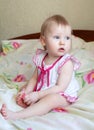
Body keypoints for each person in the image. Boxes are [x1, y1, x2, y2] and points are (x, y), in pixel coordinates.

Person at [0, 14, 80, 120]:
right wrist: (27, 92)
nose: (62, 42)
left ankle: (18, 115)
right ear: (43, 41)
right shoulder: (41, 58)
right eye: (57, 37)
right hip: (44, 89)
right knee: (24, 88)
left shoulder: (66, 63)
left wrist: (38, 95)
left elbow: (60, 87)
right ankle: (29, 103)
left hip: (62, 94)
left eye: (67, 38)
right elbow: (34, 78)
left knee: (50, 100)